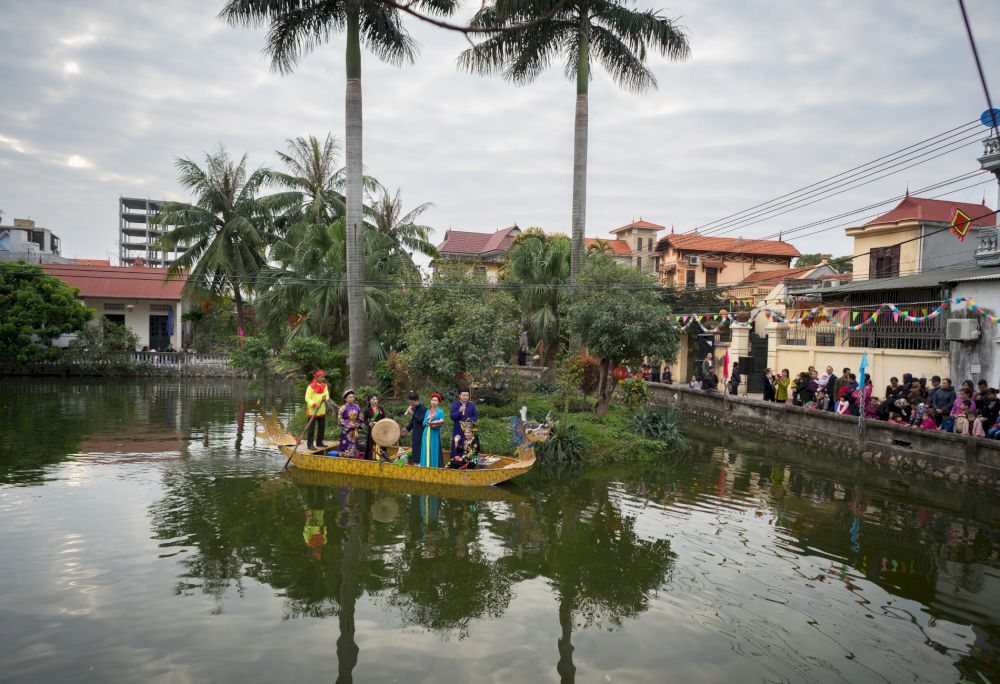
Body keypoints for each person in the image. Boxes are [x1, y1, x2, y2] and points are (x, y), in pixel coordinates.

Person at [305, 370, 331, 450]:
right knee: (311, 429)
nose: (323, 378)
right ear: (317, 377)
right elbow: (307, 398)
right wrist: (314, 404)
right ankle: (310, 444)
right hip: (313, 411)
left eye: (324, 377)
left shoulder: (325, 386)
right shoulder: (310, 387)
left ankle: (319, 442)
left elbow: (327, 395)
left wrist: (325, 398)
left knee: (321, 428)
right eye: (321, 377)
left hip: (322, 410)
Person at [449, 389, 479, 456]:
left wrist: (470, 420)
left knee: (469, 445)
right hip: (458, 429)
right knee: (457, 444)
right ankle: (455, 461)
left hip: (468, 429)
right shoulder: (455, 405)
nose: (465, 397)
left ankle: (468, 461)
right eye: (464, 395)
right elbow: (452, 417)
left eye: (467, 395)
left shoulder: (471, 405)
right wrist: (459, 411)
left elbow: (476, 416)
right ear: (459, 395)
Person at [422, 393, 445, 468]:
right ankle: (424, 465)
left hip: (434, 432)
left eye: (435, 400)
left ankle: (433, 466)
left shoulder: (440, 412)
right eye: (432, 400)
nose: (433, 402)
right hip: (426, 432)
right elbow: (424, 423)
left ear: (438, 402)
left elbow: (441, 424)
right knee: (425, 449)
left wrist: (435, 425)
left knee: (433, 449)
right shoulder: (427, 412)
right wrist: (429, 419)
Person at [337, 389, 362, 459]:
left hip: (355, 430)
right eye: (350, 397)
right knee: (346, 444)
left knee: (355, 443)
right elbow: (339, 419)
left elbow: (360, 417)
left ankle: (354, 457)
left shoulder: (357, 407)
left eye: (353, 397)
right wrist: (349, 424)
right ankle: (344, 456)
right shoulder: (343, 408)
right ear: (345, 398)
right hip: (346, 430)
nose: (352, 399)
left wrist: (357, 424)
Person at [404, 392, 427, 465]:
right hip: (415, 432)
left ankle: (420, 464)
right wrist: (407, 428)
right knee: (415, 447)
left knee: (419, 448)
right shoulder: (414, 408)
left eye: (412, 402)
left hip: (421, 432)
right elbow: (413, 420)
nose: (411, 404)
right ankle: (415, 463)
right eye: (410, 402)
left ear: (417, 400)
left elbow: (421, 420)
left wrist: (413, 413)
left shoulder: (423, 409)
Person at [362, 392, 386, 460]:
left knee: (381, 443)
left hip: (380, 430)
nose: (375, 401)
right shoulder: (367, 410)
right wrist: (369, 423)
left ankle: (382, 458)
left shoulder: (380, 408)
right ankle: (372, 459)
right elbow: (365, 420)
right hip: (372, 430)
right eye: (373, 399)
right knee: (371, 445)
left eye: (376, 399)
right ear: (369, 401)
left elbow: (384, 417)